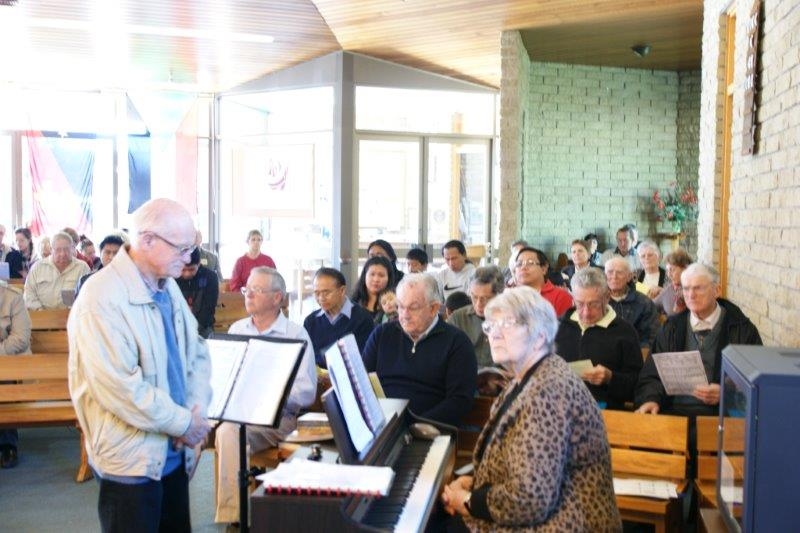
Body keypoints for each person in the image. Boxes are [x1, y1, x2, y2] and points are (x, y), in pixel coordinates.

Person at [67, 198, 212, 532]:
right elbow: (121, 389)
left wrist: (196, 411)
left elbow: (196, 352)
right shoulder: (100, 298)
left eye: (192, 247)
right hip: (131, 460)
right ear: (146, 241)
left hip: (174, 448)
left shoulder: (168, 285)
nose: (189, 258)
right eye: (182, 248)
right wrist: (184, 424)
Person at [441, 286, 621, 531]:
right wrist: (476, 483)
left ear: (540, 337)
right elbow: (523, 465)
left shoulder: (547, 391)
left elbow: (528, 500)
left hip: (566, 523)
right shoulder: (529, 376)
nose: (494, 334)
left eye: (507, 324)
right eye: (491, 326)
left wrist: (469, 500)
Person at [213, 267, 316, 524]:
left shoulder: (295, 334)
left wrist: (266, 394)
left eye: (256, 290)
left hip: (277, 418)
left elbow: (305, 391)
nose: (248, 295)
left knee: (229, 432)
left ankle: (236, 518)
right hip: (235, 410)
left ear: (277, 297)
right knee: (187, 427)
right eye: (247, 289)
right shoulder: (238, 328)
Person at [635, 263, 763, 417]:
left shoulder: (742, 329)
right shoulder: (671, 328)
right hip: (673, 412)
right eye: (686, 288)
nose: (691, 295)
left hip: (721, 416)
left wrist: (725, 394)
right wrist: (650, 399)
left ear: (717, 290)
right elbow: (651, 375)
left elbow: (757, 382)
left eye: (698, 288)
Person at [362, 273, 477, 426]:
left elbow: (459, 401)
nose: (404, 315)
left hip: (430, 429)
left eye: (413, 308)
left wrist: (415, 425)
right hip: (382, 426)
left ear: (434, 308)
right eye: (400, 306)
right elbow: (361, 382)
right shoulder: (382, 334)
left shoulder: (457, 342)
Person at [554, 268, 642, 409]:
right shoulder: (558, 327)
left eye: (593, 304)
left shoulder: (624, 332)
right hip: (559, 407)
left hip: (604, 409)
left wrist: (610, 378)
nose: (586, 312)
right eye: (580, 304)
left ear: (607, 297)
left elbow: (638, 385)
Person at [303, 267, 375, 368]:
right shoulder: (310, 321)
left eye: (326, 293)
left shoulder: (363, 319)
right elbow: (307, 357)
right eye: (317, 293)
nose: (321, 298)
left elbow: (362, 358)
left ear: (342, 291)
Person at [447, 265, 505, 368]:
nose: (478, 304)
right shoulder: (457, 318)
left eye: (485, 298)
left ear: (500, 295)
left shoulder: (511, 319)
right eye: (474, 297)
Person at [0, 283, 32, 469]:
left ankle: (7, 443)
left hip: (8, 359)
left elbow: (20, 338)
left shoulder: (13, 297)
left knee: (4, 377)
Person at [24, 232, 90, 310]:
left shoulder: (82, 267)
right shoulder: (38, 267)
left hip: (72, 314)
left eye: (66, 249)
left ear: (72, 248)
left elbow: (88, 295)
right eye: (58, 250)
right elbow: (29, 293)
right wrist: (40, 311)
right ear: (51, 250)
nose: (62, 254)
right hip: (41, 314)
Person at [605, 257, 658, 349]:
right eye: (610, 272)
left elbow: (650, 337)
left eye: (619, 272)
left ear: (629, 276)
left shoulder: (644, 303)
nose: (614, 276)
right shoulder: (597, 301)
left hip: (634, 353)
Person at [513, 247, 573, 317]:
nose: (523, 267)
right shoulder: (510, 297)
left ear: (544, 269)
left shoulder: (560, 297)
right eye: (519, 264)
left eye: (530, 263)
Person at [175, 248, 219, 338]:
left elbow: (208, 309)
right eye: (183, 270)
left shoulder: (210, 277)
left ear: (198, 264)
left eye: (191, 269)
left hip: (203, 326)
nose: (187, 274)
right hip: (177, 326)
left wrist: (192, 329)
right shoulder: (172, 278)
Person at [351, 256, 395, 324]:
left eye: (381, 275)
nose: (376, 279)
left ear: (389, 278)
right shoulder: (353, 304)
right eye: (372, 274)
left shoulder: (395, 304)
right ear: (364, 276)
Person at [653, 248, 693, 318]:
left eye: (672, 270)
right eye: (667, 270)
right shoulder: (668, 290)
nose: (669, 274)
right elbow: (649, 307)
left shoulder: (697, 288)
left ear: (685, 269)